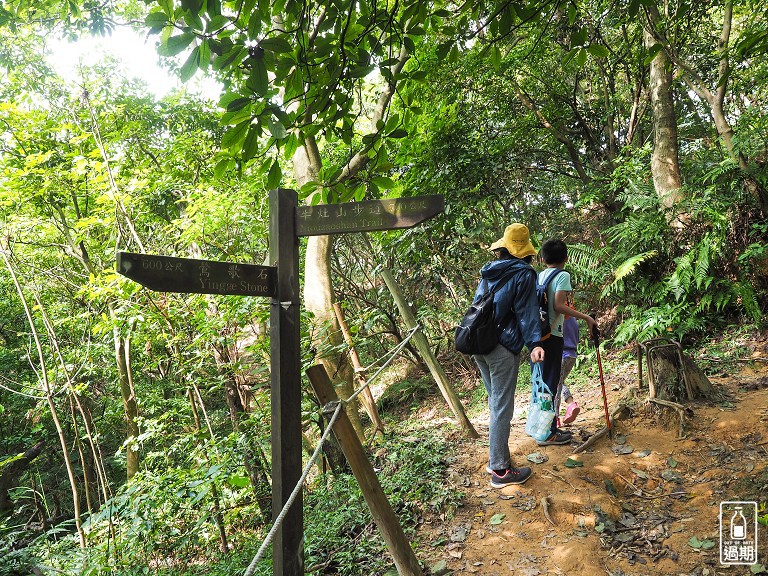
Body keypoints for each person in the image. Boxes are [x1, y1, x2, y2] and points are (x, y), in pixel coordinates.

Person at [472, 223, 545, 488]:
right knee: (502, 407)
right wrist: (535, 342)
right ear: (524, 250)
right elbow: (527, 312)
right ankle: (501, 471)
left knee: (495, 404)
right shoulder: (524, 273)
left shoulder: (490, 271)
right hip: (502, 348)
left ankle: (496, 460)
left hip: (479, 343)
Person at [537, 239, 595, 446]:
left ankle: (545, 428)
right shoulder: (563, 275)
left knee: (546, 383)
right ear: (566, 258)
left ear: (543, 259)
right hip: (554, 336)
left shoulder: (540, 275)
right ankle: (549, 432)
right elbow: (559, 305)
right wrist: (586, 317)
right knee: (553, 383)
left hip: (540, 336)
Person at [556, 315, 580, 425]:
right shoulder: (574, 319)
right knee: (559, 384)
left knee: (557, 383)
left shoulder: (560, 317)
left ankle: (570, 404)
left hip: (562, 354)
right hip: (572, 355)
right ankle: (557, 417)